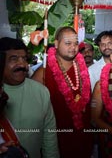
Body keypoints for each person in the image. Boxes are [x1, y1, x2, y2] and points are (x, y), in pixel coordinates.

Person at [32, 27, 93, 158]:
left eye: (76, 43)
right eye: (67, 43)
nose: (73, 47)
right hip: (56, 140)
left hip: (83, 137)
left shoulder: (82, 69)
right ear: (56, 44)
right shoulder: (43, 73)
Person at [0, 37, 59, 158]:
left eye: (24, 59)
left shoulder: (41, 92)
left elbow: (49, 137)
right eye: (14, 59)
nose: (22, 64)